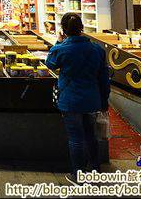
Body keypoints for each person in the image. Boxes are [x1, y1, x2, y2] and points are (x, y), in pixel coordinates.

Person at [45, 12, 110, 185]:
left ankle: (78, 174)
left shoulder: (61, 49)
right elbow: (104, 78)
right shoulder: (97, 49)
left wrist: (59, 41)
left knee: (75, 138)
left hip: (70, 99)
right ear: (81, 28)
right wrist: (104, 100)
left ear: (63, 30)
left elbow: (50, 63)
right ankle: (95, 169)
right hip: (91, 99)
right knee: (91, 136)